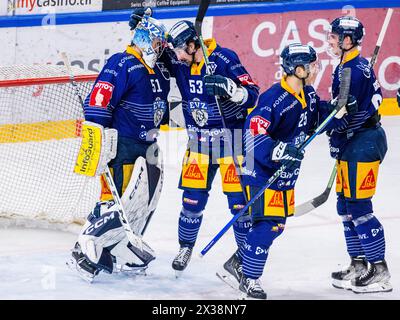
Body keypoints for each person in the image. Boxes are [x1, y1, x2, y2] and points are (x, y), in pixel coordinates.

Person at [233, 43, 348, 299]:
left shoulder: (307, 93)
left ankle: (240, 261)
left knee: (276, 225)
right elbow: (252, 133)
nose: (316, 68)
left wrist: (334, 111)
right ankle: (248, 278)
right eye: (311, 65)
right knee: (268, 224)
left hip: (284, 170)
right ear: (298, 69)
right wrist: (278, 150)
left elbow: (314, 117)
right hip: (260, 168)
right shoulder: (274, 98)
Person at [67, 12, 170, 282]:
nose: (160, 48)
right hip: (123, 145)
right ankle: (86, 248)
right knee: (116, 202)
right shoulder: (121, 62)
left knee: (141, 203)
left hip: (147, 144)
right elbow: (99, 101)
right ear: (145, 40)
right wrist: (98, 141)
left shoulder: (154, 68)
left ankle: (119, 247)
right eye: (157, 42)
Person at [163, 20, 260, 276]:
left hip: (233, 143)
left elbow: (253, 94)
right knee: (191, 202)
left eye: (180, 51)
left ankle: (243, 258)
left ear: (193, 45)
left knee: (240, 206)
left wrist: (232, 90)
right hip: (198, 145)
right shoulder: (179, 60)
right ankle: (185, 247)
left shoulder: (224, 58)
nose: (176, 56)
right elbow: (153, 52)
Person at [325, 16, 392, 293]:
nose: (330, 40)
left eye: (334, 36)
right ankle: (360, 263)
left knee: (359, 208)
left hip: (363, 142)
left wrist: (335, 133)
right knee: (345, 206)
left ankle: (379, 270)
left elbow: (347, 117)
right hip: (356, 141)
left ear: (347, 41)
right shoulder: (349, 66)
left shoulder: (351, 71)